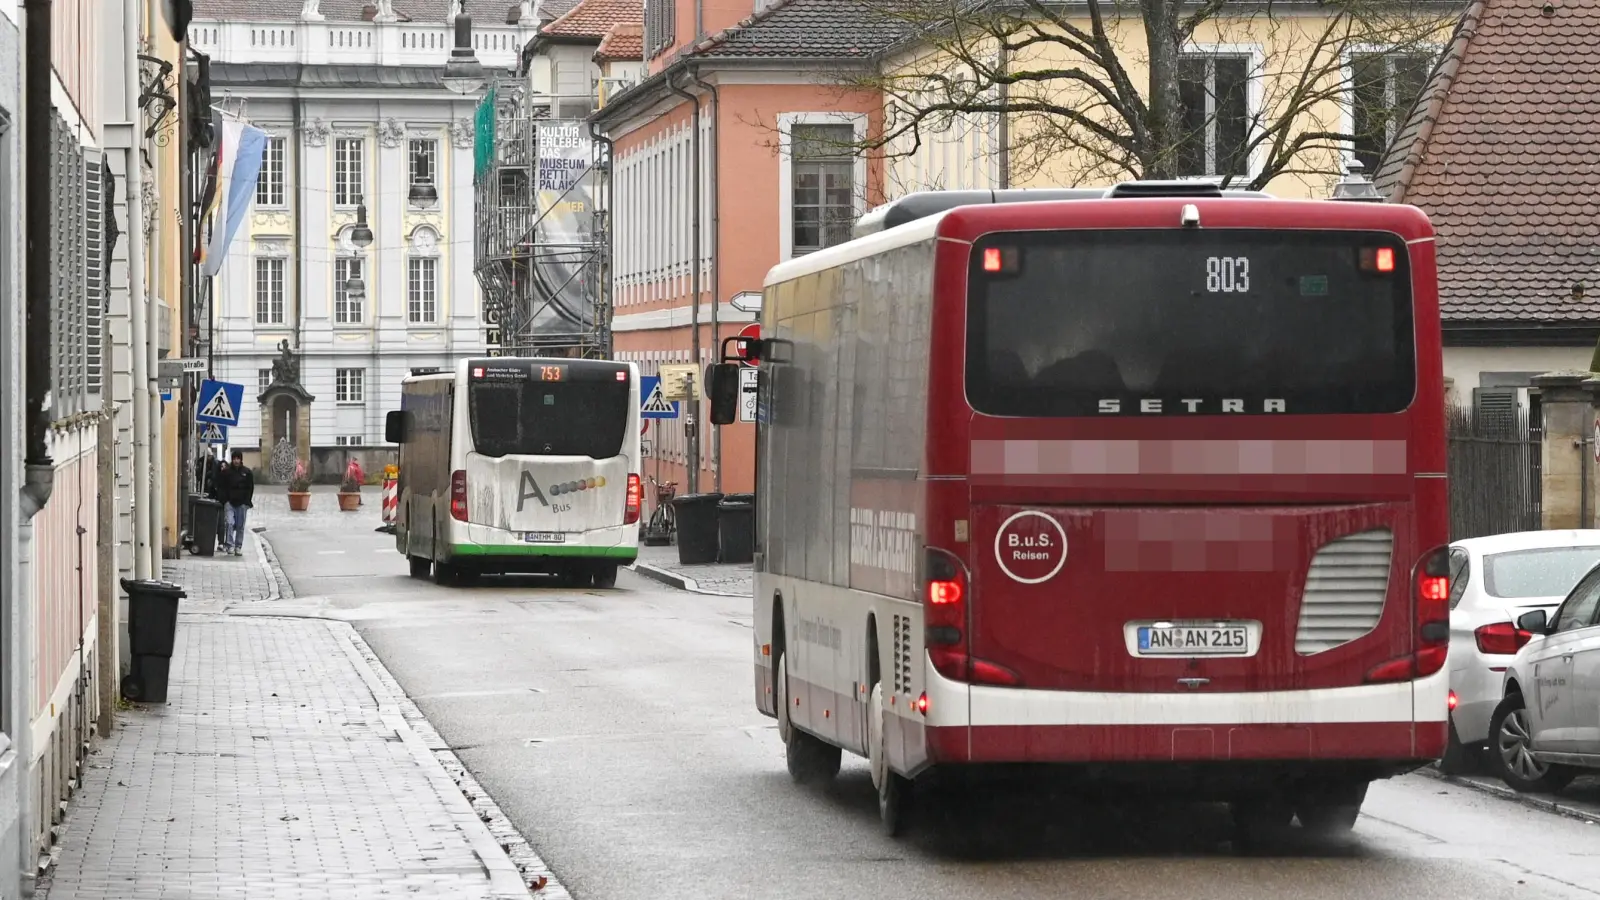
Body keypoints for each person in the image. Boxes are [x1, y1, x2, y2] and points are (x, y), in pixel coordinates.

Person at [218, 450, 256, 556]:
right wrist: (224, 500)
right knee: (229, 523)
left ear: (241, 459)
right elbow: (221, 487)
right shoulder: (226, 473)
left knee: (240, 526)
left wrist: (247, 502)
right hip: (229, 503)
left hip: (242, 503)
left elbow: (250, 488)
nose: (236, 461)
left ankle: (238, 546)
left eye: (238, 459)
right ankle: (230, 545)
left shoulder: (247, 472)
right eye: (234, 459)